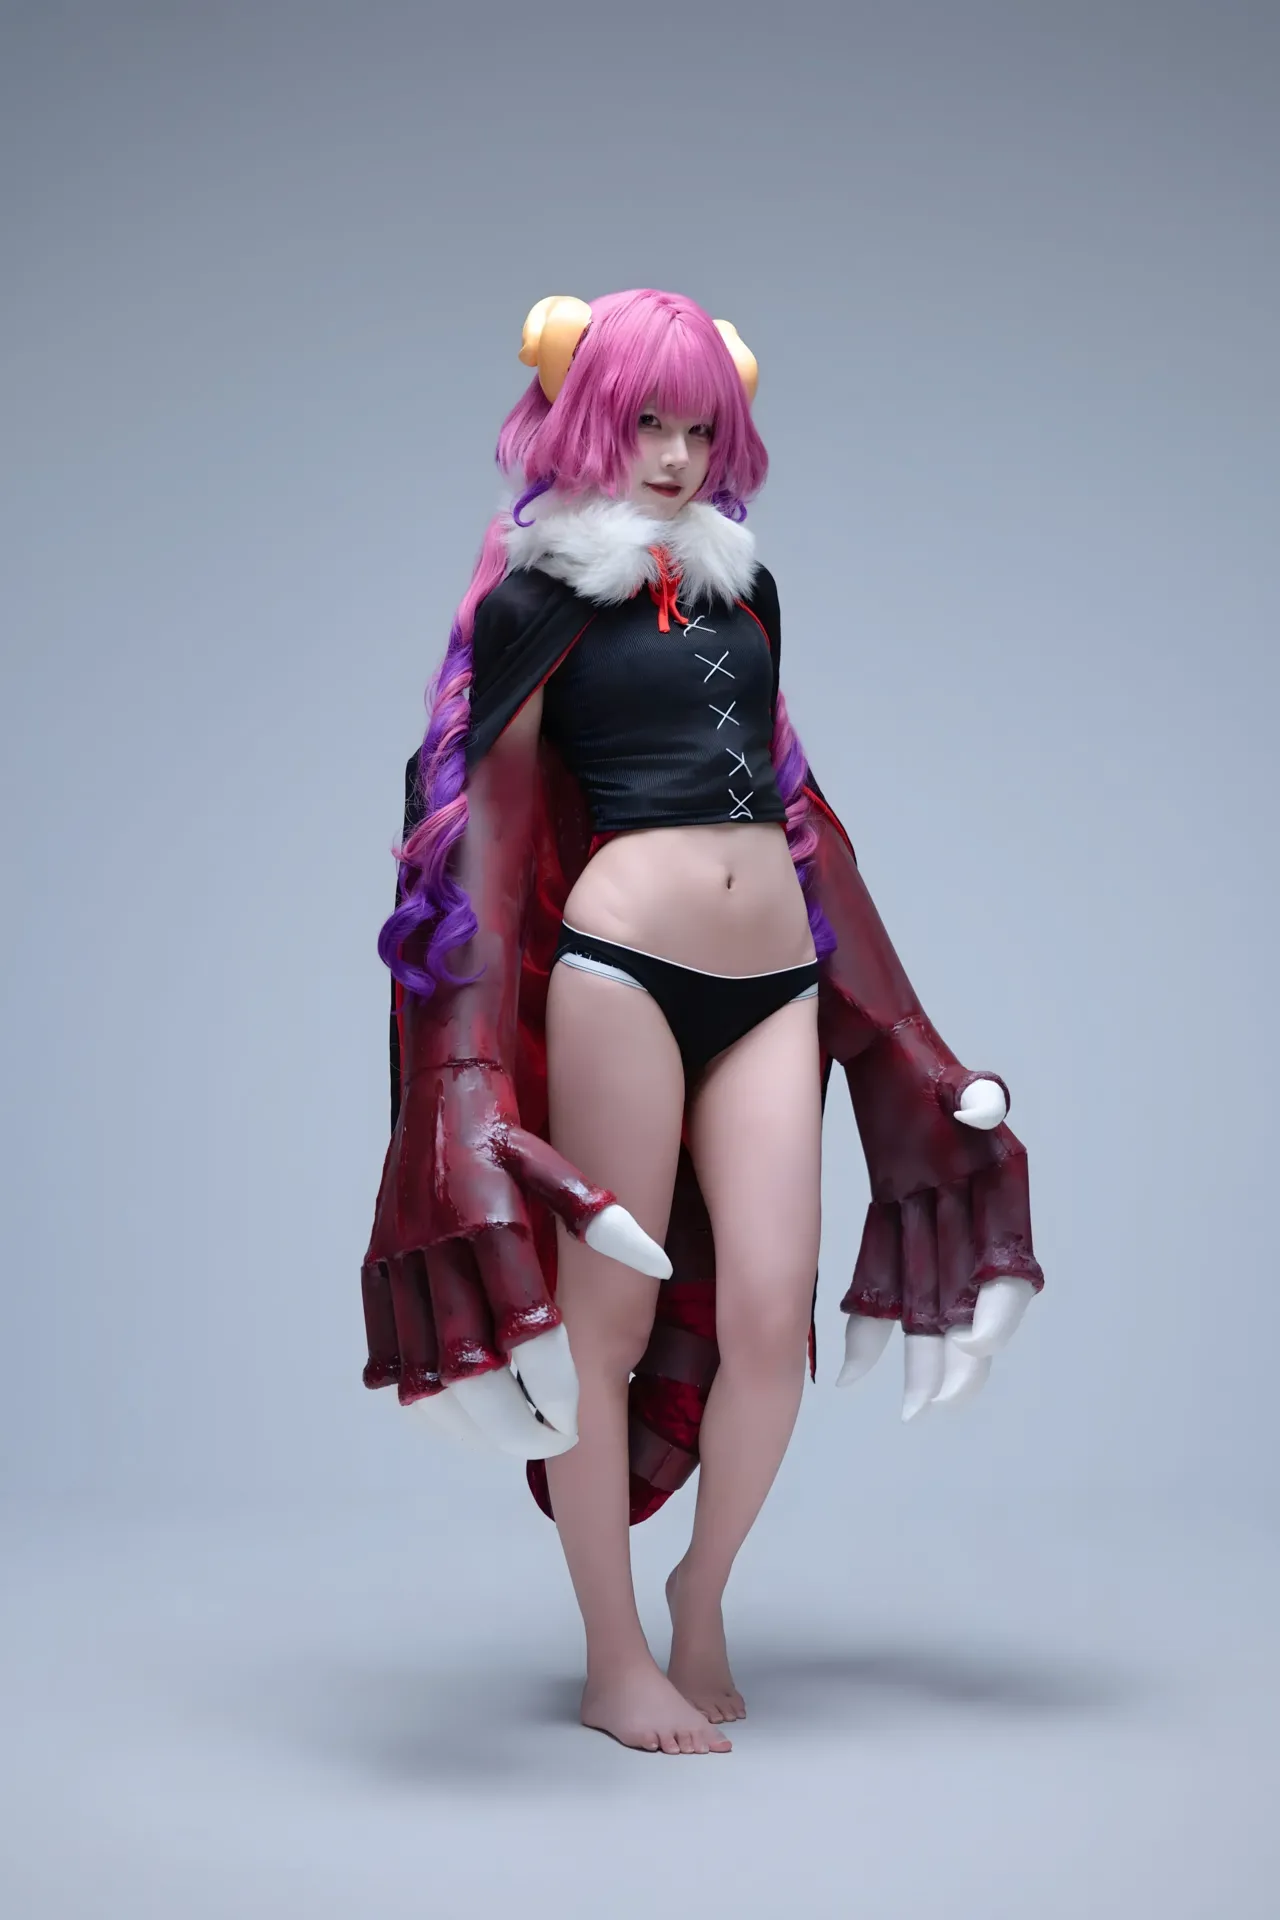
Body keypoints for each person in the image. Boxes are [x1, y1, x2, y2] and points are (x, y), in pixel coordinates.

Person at [361, 288, 1044, 1756]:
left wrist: (911, 1044)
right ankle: (614, 1659)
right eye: (645, 425)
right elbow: (486, 837)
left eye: (698, 429)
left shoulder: (748, 590)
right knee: (602, 1325)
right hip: (621, 970)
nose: (674, 457)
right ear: (585, 424)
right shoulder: (534, 601)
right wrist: (458, 1079)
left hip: (773, 981)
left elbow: (799, 818)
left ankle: (701, 1590)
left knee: (769, 1321)